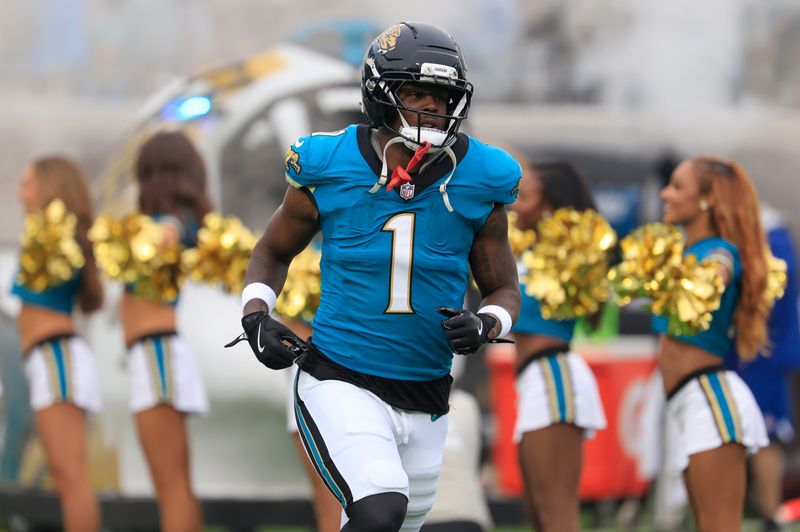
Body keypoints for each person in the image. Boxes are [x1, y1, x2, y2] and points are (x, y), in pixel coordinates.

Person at [230, 22, 521, 531]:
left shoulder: (482, 176)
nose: (432, 109)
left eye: (442, 98)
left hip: (427, 394)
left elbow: (503, 287)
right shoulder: (329, 162)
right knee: (378, 510)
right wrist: (257, 314)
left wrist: (486, 324)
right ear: (380, 95)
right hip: (341, 376)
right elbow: (273, 251)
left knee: (382, 523)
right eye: (416, 94)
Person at [653, 155, 769, 531]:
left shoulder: (718, 251)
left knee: (719, 525)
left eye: (677, 186)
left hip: (710, 401)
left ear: (706, 199)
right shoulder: (681, 253)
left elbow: (722, 266)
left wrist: (711, 278)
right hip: (687, 402)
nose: (664, 193)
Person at [509, 161, 607, 532]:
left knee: (557, 517)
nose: (516, 203)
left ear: (549, 208)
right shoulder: (524, 251)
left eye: (527, 195)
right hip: (534, 380)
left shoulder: (567, 253)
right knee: (538, 514)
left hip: (554, 378)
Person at [122, 130, 210, 532]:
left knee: (171, 487)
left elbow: (167, 236)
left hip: (156, 352)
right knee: (173, 486)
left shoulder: (174, 221)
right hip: (153, 352)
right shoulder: (174, 219)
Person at [11, 156, 104, 531]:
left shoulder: (57, 238)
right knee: (65, 479)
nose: (20, 192)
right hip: (47, 360)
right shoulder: (46, 237)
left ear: (50, 188)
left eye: (27, 183)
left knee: (71, 481)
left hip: (57, 358)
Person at [725, 203, 800, 532]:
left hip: (762, 353)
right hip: (735, 353)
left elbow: (771, 305)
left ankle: (769, 513)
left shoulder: (770, 237)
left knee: (765, 432)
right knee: (725, 433)